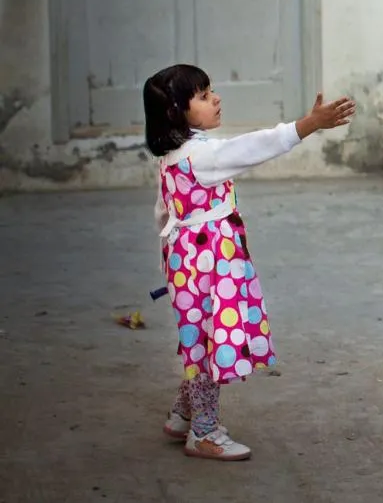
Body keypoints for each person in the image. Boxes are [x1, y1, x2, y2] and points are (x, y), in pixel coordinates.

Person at [143, 64, 355, 460]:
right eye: (204, 96)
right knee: (209, 346)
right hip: (210, 265)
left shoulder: (172, 157)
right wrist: (308, 124)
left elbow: (163, 213)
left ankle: (181, 415)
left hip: (187, 263)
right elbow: (257, 146)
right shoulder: (202, 156)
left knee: (198, 340)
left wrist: (171, 270)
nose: (216, 98)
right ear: (176, 111)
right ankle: (203, 434)